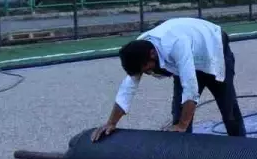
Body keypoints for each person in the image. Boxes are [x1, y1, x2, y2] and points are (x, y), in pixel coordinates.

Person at [91, 17, 246, 142]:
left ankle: (243, 152)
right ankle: (183, 158)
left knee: (229, 110)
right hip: (187, 58)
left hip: (213, 51)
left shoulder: (176, 45)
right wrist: (111, 122)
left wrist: (182, 125)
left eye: (147, 69)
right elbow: (127, 89)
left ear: (152, 54)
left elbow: (190, 89)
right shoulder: (139, 51)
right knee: (179, 115)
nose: (148, 73)